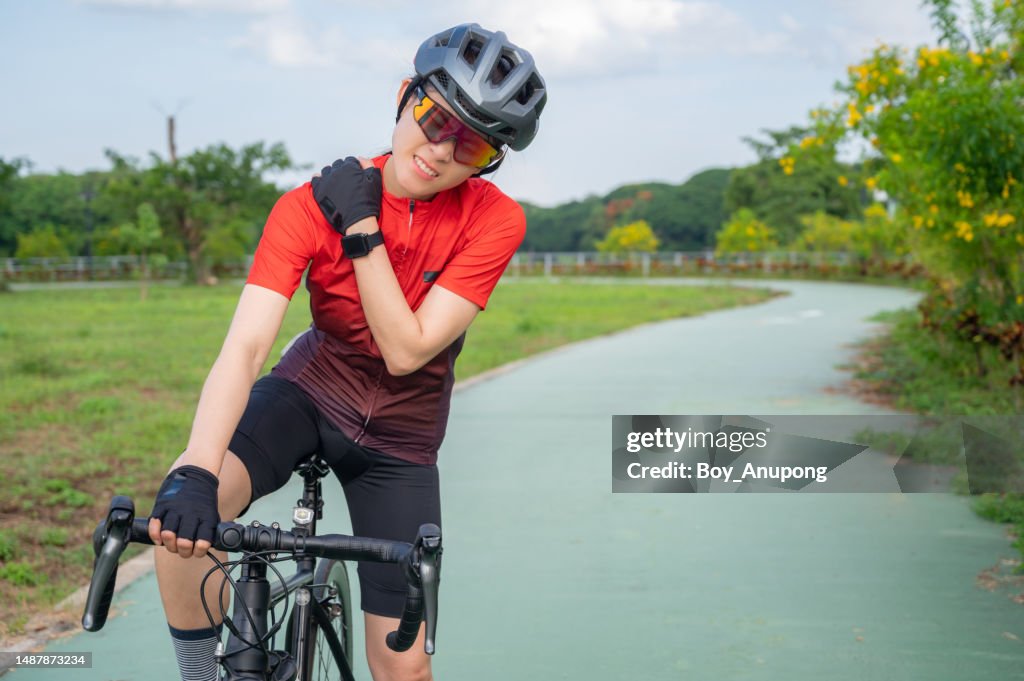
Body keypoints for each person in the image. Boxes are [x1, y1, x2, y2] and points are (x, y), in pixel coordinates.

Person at [145, 22, 546, 681]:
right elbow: (246, 348)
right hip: (310, 389)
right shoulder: (305, 205)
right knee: (179, 513)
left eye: (470, 142)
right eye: (434, 117)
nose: (440, 149)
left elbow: (407, 351)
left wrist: (362, 230)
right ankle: (202, 673)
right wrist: (197, 472)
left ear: (487, 161)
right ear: (404, 96)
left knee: (404, 667)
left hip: (403, 437)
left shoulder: (494, 219)